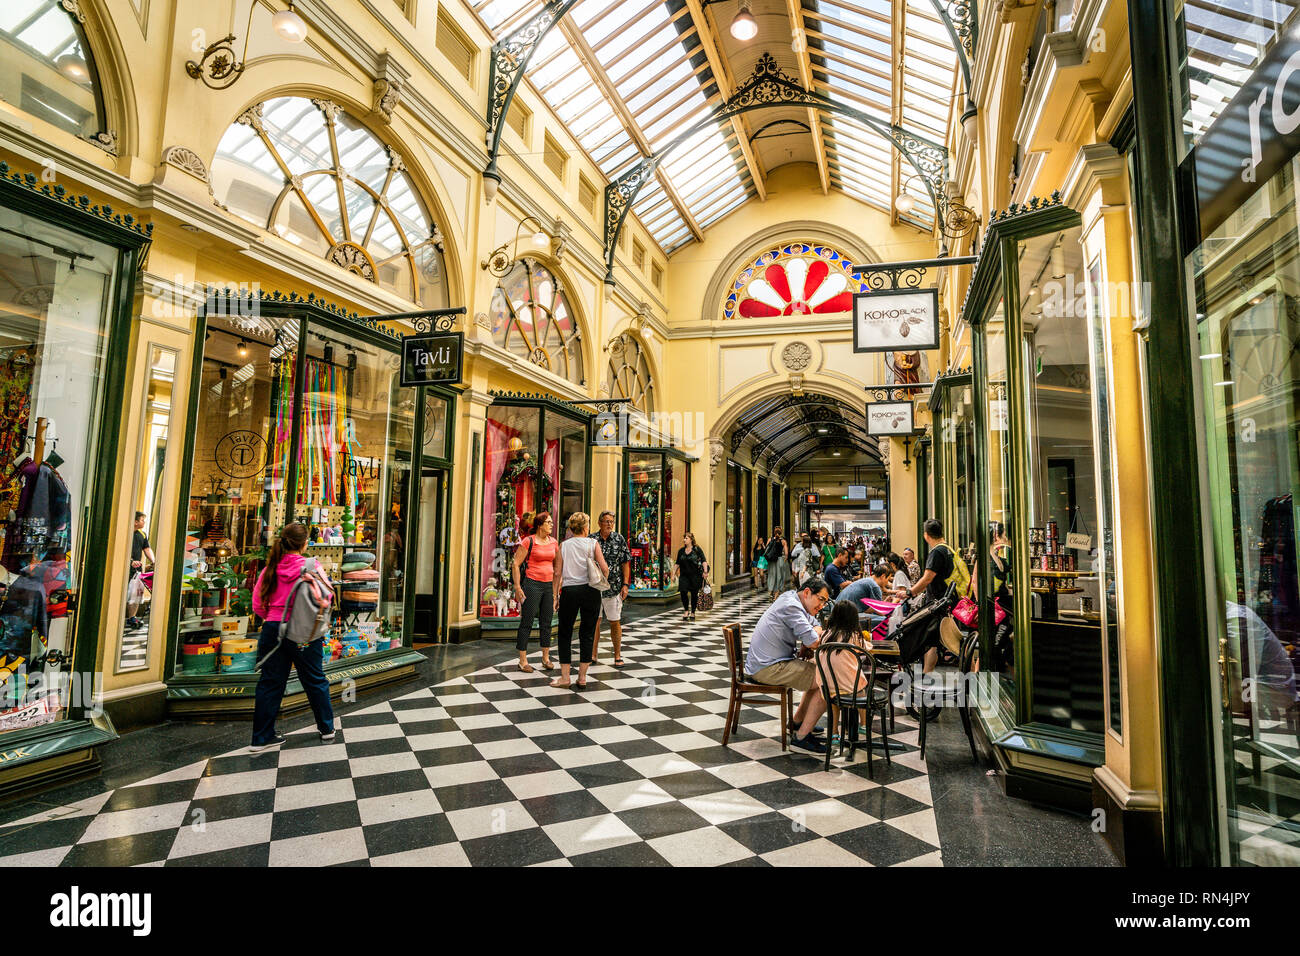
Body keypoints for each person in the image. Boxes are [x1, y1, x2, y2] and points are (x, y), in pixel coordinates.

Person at [250, 523, 334, 751]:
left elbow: (257, 603)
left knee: (270, 682)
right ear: (304, 543)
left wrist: (274, 617)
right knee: (314, 678)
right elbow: (326, 595)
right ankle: (326, 728)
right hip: (304, 631)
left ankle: (261, 737)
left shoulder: (271, 568)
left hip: (273, 629)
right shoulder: (311, 566)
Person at [745, 576, 832, 753]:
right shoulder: (791, 606)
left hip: (770, 663)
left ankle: (798, 723)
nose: (822, 606)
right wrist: (812, 637)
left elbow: (816, 627)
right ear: (807, 592)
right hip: (768, 667)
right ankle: (801, 738)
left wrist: (813, 634)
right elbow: (813, 640)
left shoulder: (795, 600)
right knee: (828, 680)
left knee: (819, 674)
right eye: (821, 599)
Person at [904, 518, 970, 674]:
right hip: (947, 601)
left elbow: (927, 578)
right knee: (934, 641)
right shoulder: (948, 549)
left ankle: (972, 673)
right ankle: (927, 675)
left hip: (939, 603)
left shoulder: (937, 552)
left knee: (946, 641)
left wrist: (910, 592)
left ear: (926, 535)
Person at [552, 513, 609, 690]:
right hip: (590, 591)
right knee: (587, 632)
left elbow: (557, 573)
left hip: (570, 591)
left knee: (565, 633)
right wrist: (600, 581)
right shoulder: (593, 543)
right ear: (586, 528)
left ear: (571, 528)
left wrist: (555, 595)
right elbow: (605, 568)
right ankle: (582, 677)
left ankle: (565, 677)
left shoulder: (564, 545)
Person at [512, 512, 562, 673]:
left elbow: (557, 569)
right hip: (532, 584)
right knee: (527, 622)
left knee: (546, 623)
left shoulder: (554, 542)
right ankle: (522, 660)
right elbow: (515, 564)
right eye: (548, 522)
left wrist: (555, 592)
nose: (551, 525)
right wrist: (518, 587)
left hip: (548, 586)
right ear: (540, 525)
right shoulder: (529, 541)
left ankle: (546, 658)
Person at [591, 511, 632, 668]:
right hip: (594, 587)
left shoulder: (619, 539)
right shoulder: (592, 539)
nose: (609, 524)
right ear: (599, 522)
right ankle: (593, 654)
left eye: (611, 522)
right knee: (595, 621)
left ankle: (617, 655)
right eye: (606, 521)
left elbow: (625, 562)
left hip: (614, 587)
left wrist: (626, 584)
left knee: (615, 621)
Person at [126, 511, 155, 628]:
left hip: (136, 570)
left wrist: (154, 561)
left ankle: (132, 617)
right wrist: (130, 561)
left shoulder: (142, 534)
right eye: (142, 520)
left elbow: (147, 548)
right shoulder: (126, 533)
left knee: (136, 593)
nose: (144, 522)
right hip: (124, 569)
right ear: (135, 521)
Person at [674, 532, 709, 621]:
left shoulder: (697, 550)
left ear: (691, 540)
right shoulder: (681, 551)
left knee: (694, 594)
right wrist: (673, 573)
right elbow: (677, 563)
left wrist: (705, 572)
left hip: (695, 576)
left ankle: (693, 612)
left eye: (686, 538)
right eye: (684, 538)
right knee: (683, 591)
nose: (684, 540)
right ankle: (686, 610)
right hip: (684, 576)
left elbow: (704, 561)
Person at [765, 527, 790, 597]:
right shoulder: (783, 541)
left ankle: (770, 591)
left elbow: (766, 549)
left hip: (771, 560)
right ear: (781, 532)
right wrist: (784, 560)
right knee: (779, 576)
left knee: (771, 575)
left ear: (774, 532)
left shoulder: (770, 540)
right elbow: (786, 554)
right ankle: (776, 593)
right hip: (779, 560)